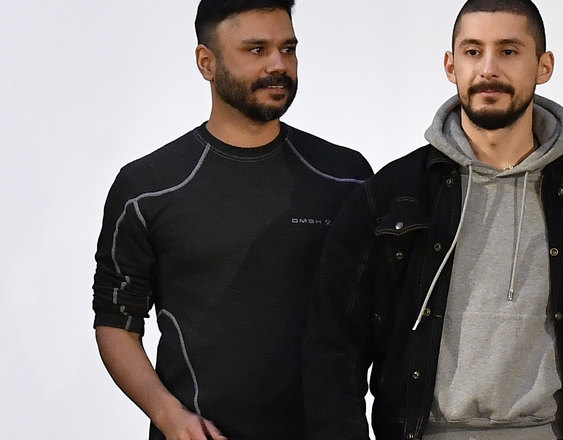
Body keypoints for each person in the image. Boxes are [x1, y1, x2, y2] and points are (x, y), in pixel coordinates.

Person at [303, 0, 563, 439]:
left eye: (508, 51)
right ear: (451, 65)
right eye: (472, 51)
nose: (488, 69)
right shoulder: (391, 196)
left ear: (544, 66)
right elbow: (334, 348)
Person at [92, 1, 372, 439]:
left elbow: (380, 315)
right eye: (256, 50)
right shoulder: (147, 188)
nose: (278, 65)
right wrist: (170, 417)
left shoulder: (345, 176)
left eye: (288, 48)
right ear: (206, 62)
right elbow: (116, 322)